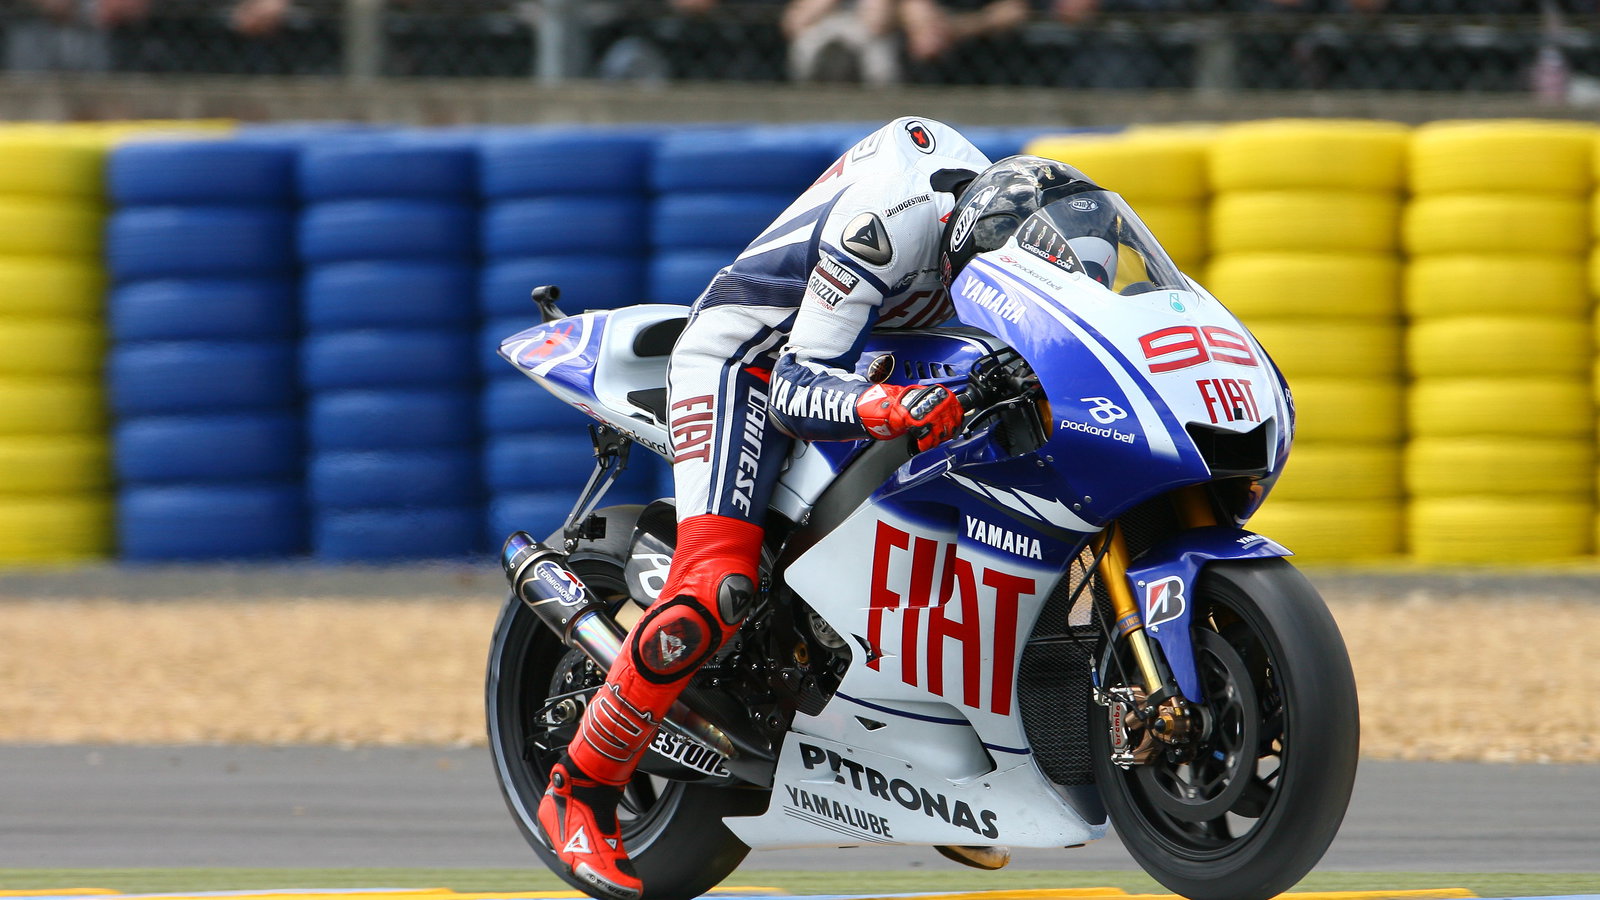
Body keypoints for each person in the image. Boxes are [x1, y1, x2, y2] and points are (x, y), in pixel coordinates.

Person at [537, 120, 1092, 900]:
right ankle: (579, 790)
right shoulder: (888, 226)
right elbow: (800, 384)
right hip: (748, 362)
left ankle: (926, 758)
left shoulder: (1017, 228)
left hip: (865, 348)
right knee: (717, 589)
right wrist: (888, 408)